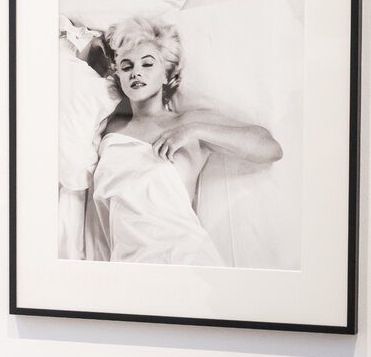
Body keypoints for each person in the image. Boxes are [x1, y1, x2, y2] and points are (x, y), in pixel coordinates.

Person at [89, 15, 282, 266]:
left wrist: (194, 131)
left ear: (166, 72)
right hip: (126, 266)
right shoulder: (110, 126)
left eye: (147, 64)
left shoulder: (188, 122)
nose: (136, 71)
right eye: (127, 66)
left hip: (182, 258)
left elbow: (270, 148)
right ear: (119, 78)